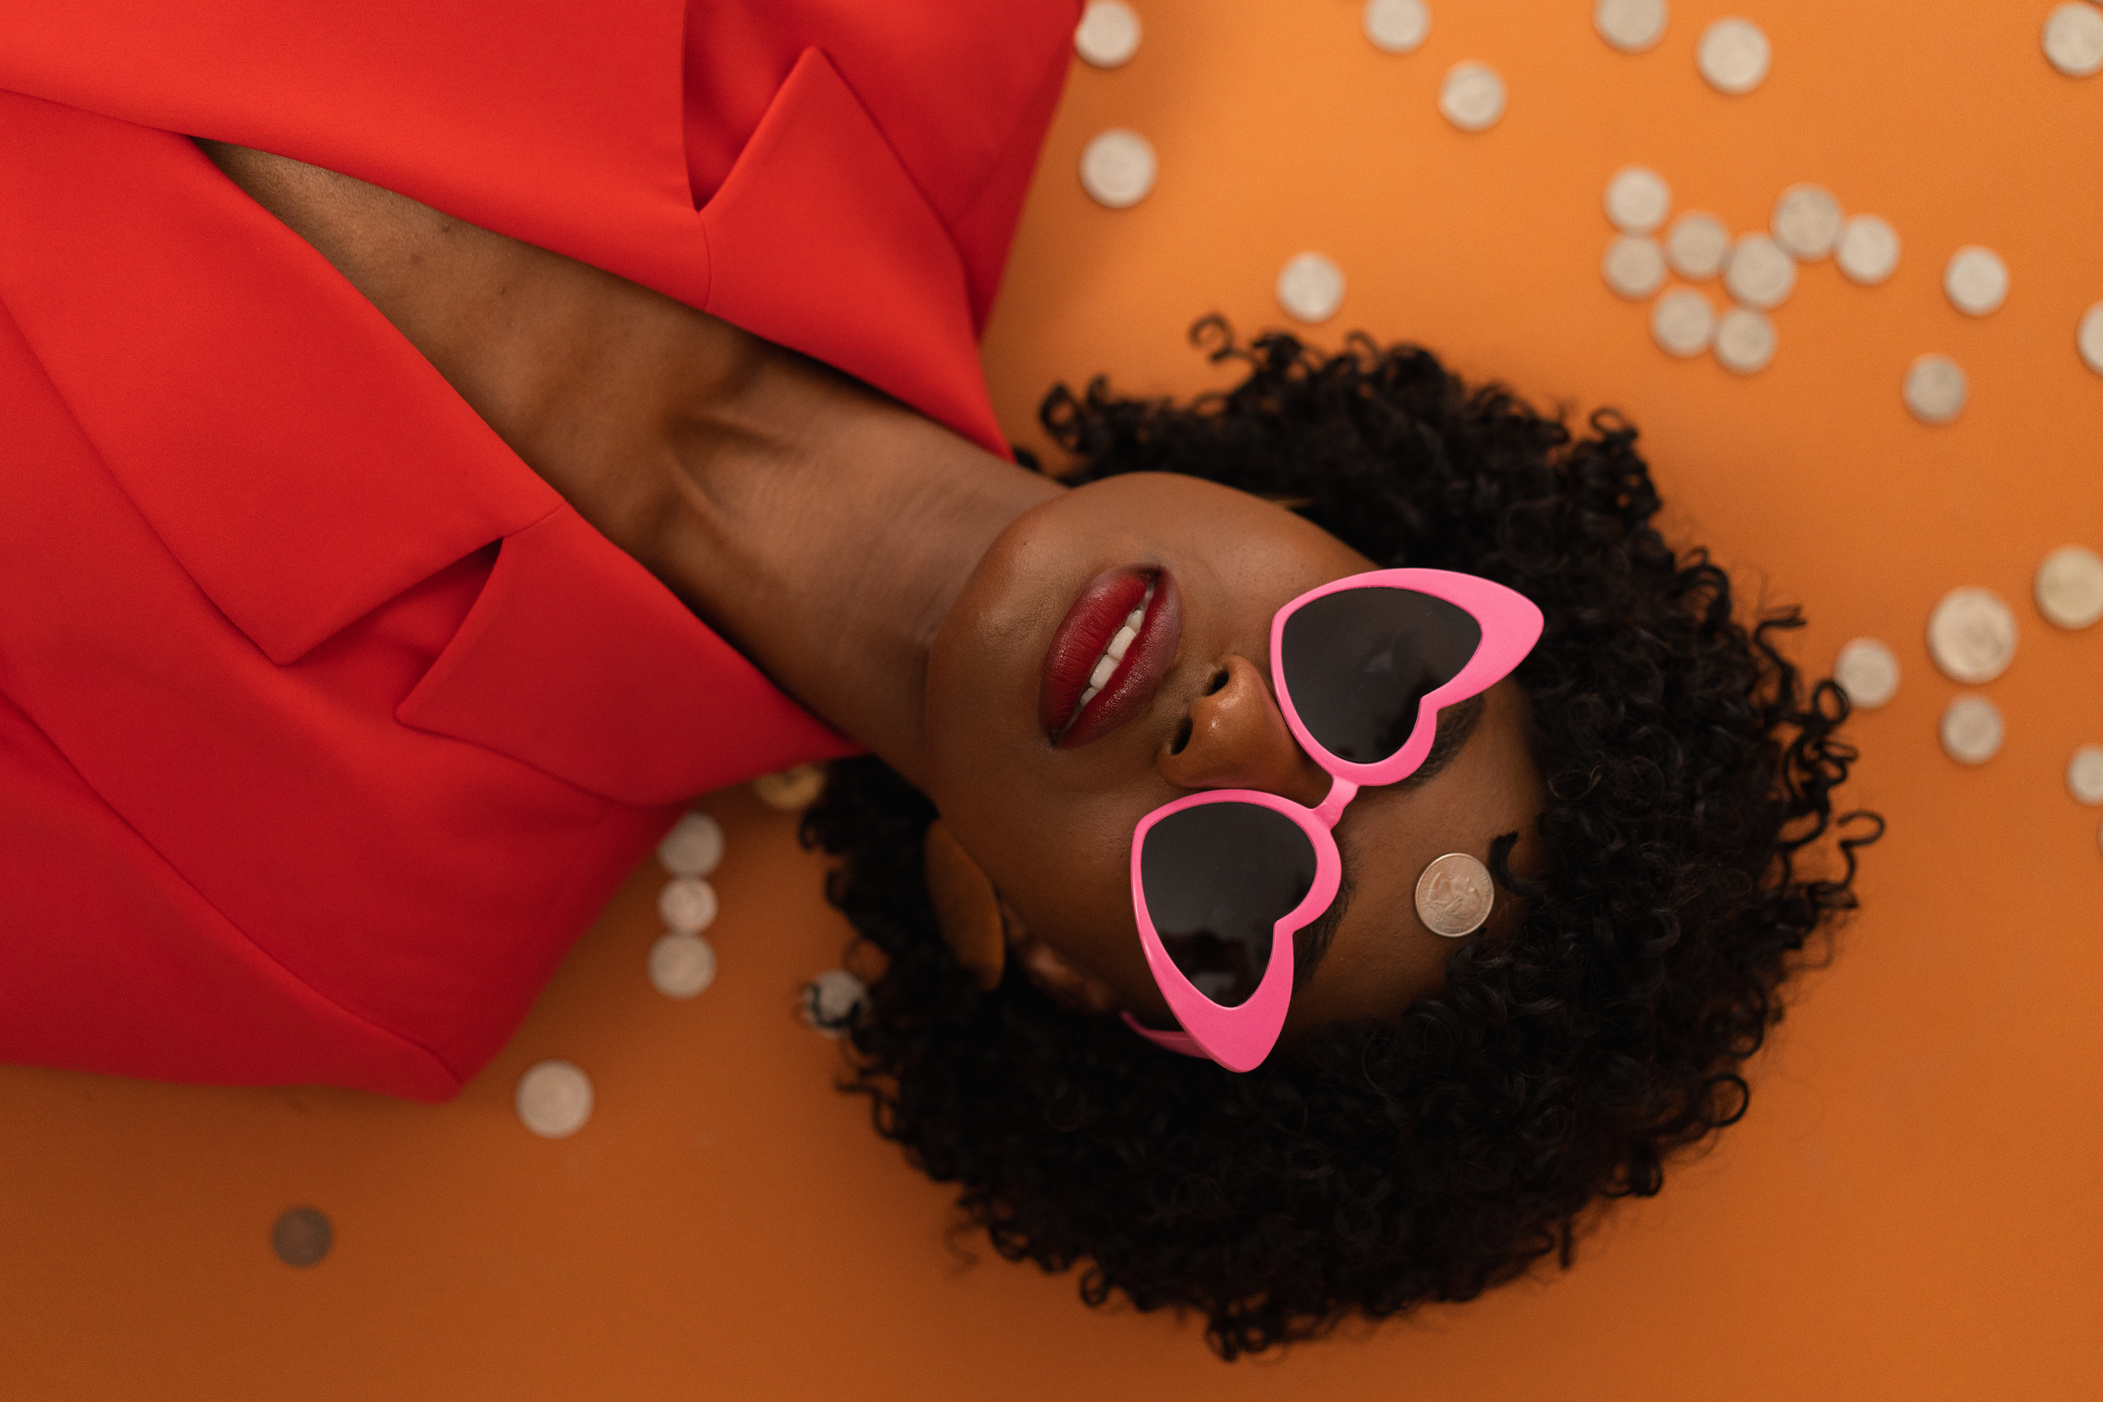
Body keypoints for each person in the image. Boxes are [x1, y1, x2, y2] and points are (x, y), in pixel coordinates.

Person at [0, 0, 1875, 1358]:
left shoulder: (322, 929)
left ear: (1048, 960)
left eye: (1241, 906)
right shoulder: (934, 27)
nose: (1232, 728)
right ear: (1346, 529)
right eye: (1381, 681)